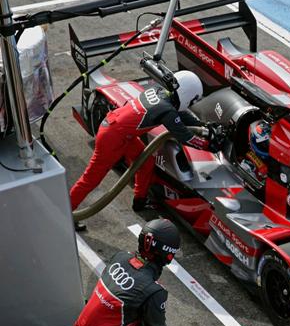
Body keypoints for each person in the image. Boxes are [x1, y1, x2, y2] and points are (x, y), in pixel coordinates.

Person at [69, 70, 217, 230]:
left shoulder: (160, 92)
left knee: (146, 162)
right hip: (112, 138)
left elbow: (181, 115)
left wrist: (204, 125)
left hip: (118, 130)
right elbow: (185, 136)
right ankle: (67, 214)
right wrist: (209, 145)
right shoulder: (167, 110)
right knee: (90, 180)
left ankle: (139, 200)